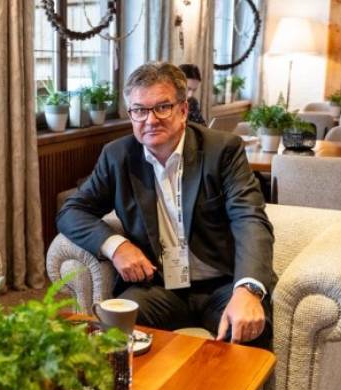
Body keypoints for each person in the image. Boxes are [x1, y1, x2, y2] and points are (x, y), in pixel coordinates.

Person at [57, 62, 274, 348]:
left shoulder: (222, 150)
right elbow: (71, 211)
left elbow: (250, 219)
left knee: (246, 332)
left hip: (221, 283)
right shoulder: (118, 156)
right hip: (158, 286)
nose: (150, 120)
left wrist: (247, 289)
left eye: (162, 107)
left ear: (183, 110)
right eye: (139, 110)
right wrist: (116, 246)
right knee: (118, 333)